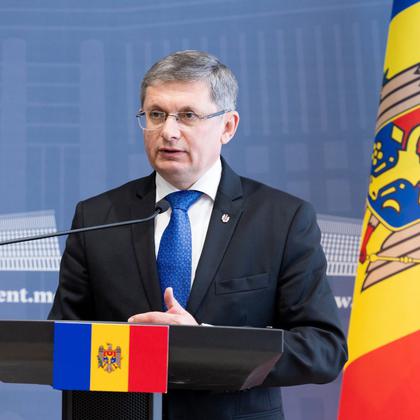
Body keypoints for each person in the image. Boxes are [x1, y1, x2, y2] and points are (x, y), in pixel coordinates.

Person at [49, 50, 347, 420]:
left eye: (188, 115)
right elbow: (58, 342)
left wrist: (207, 345)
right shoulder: (97, 216)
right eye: (156, 114)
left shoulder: (282, 219)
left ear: (228, 126)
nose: (168, 131)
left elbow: (324, 349)